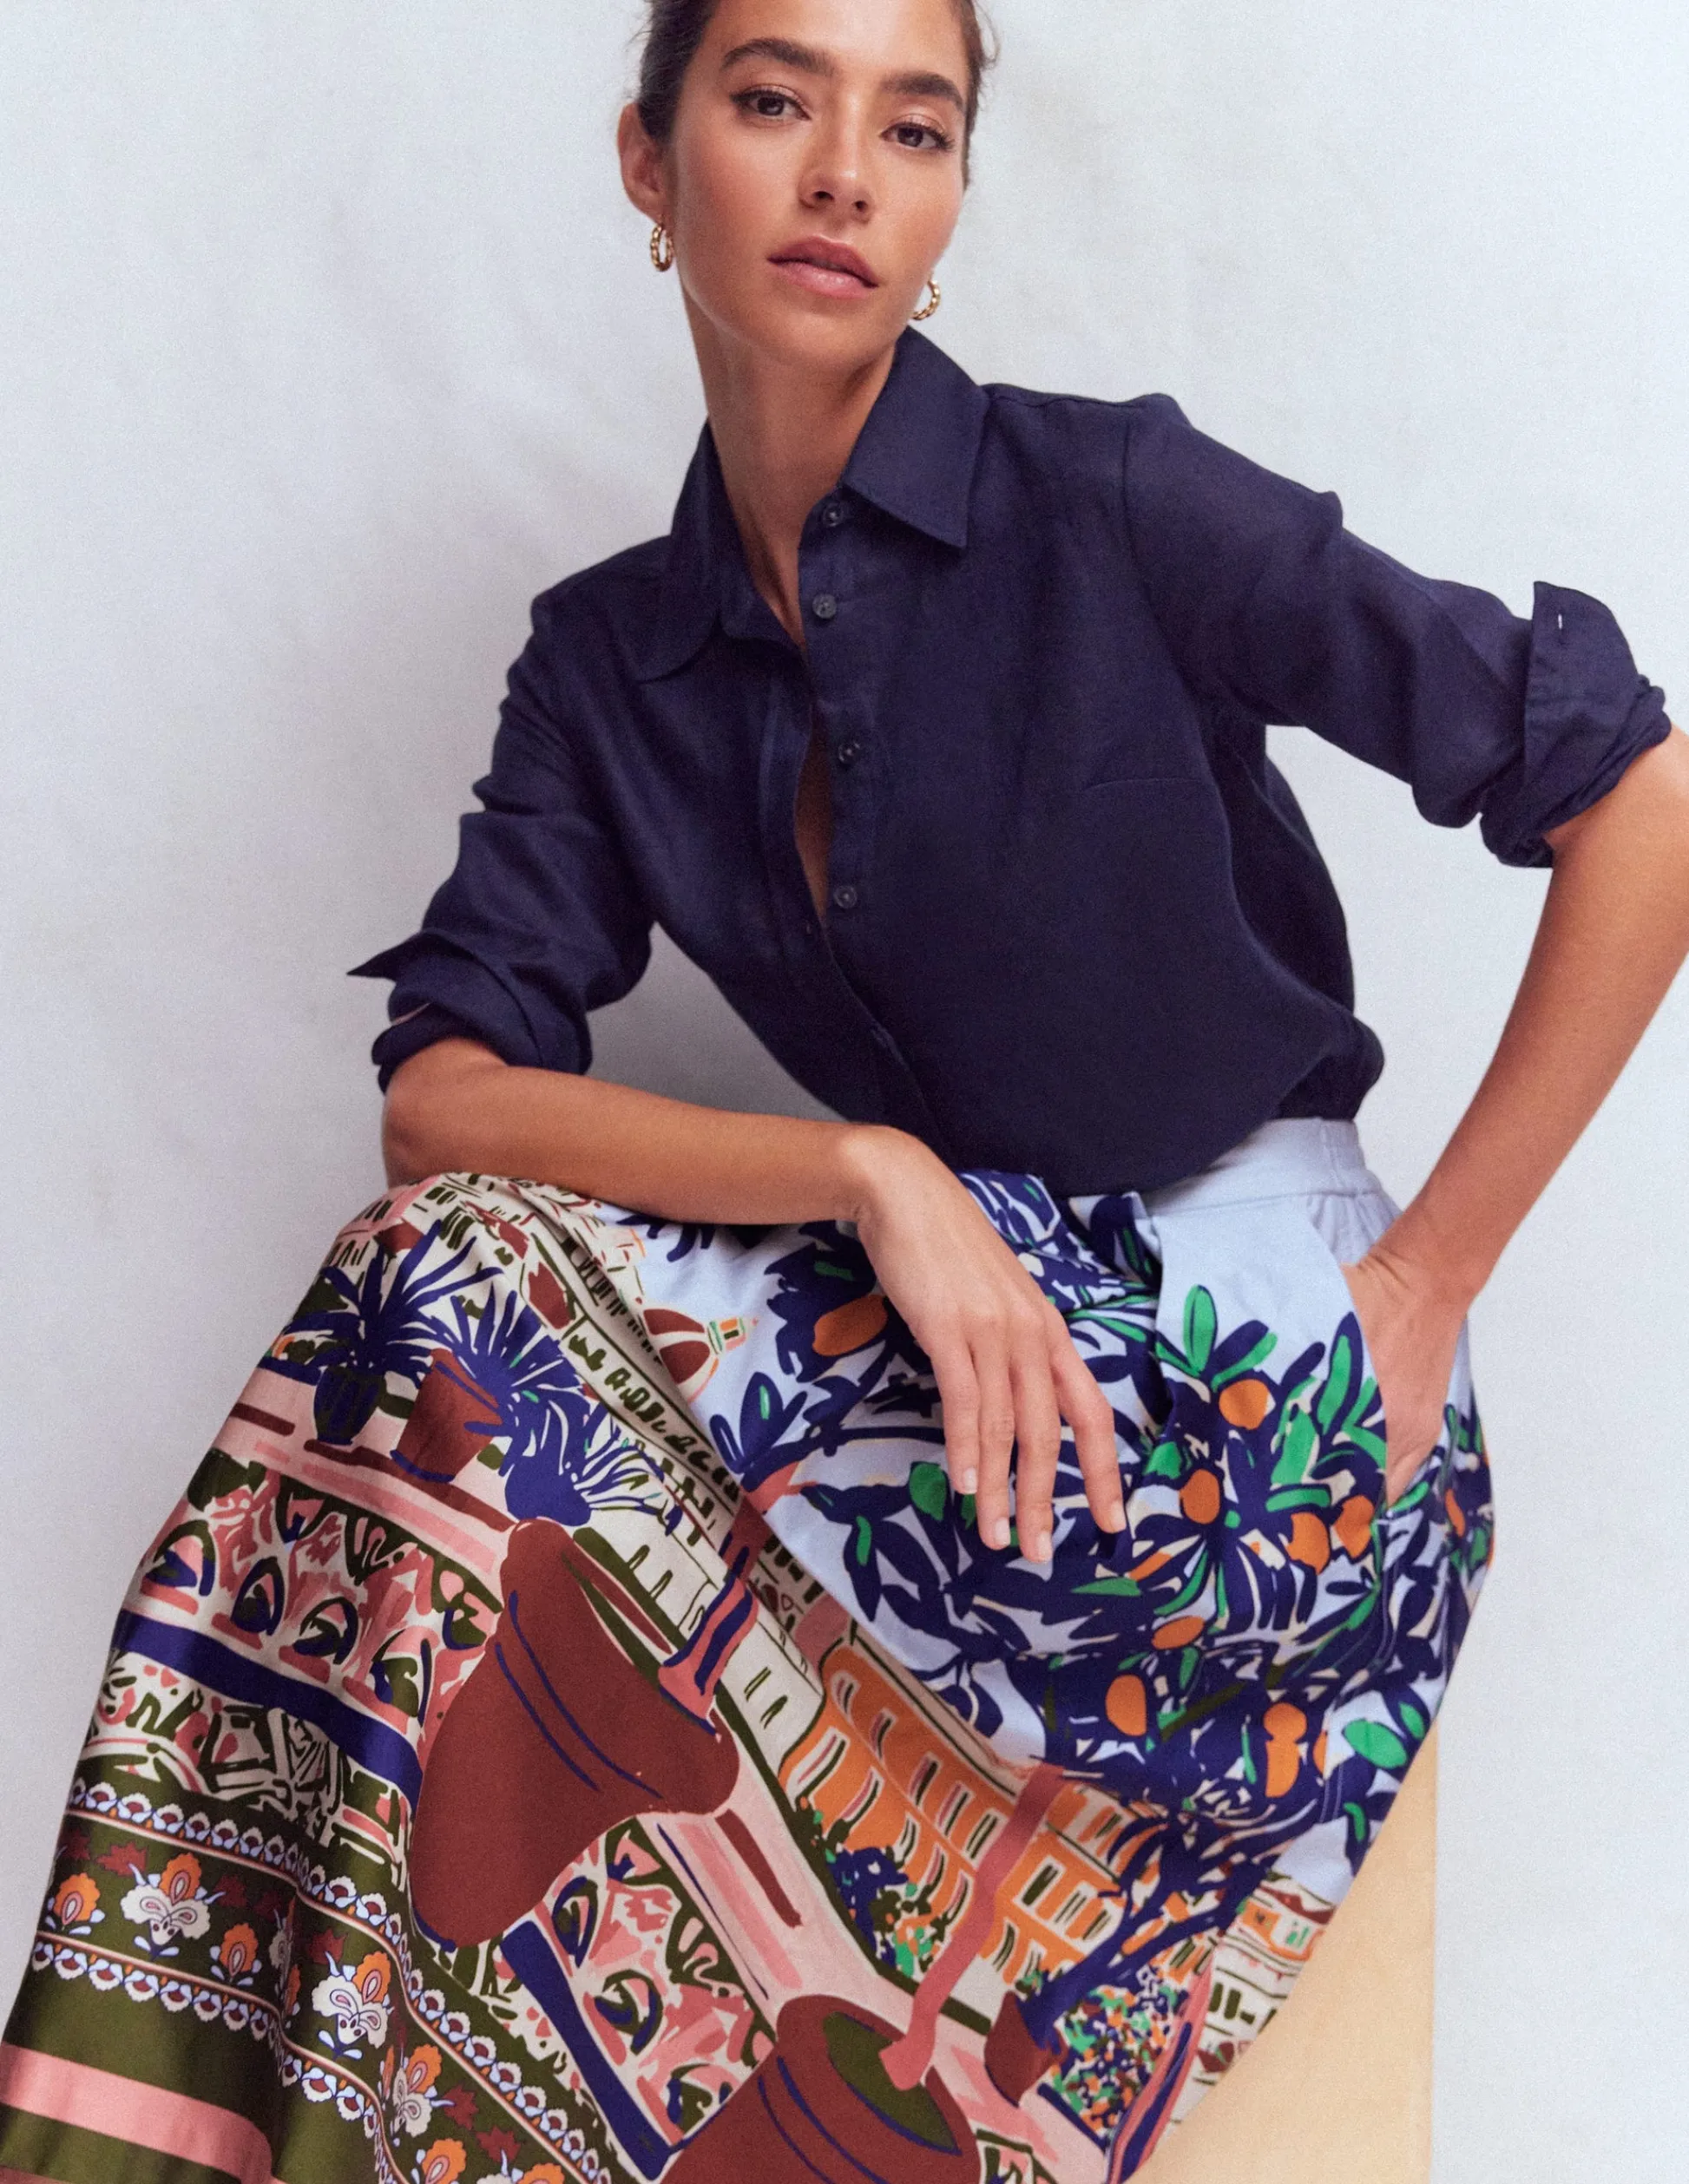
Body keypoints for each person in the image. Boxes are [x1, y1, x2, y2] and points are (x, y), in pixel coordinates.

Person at [4, 3, 1686, 2180]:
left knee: (461, 1322)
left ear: (954, 192)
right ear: (648, 160)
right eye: (774, 98)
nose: (842, 177)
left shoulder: (1115, 499)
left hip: (1262, 1396)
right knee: (430, 1295)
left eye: (915, 127)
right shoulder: (613, 663)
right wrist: (866, 1171)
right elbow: (444, 1098)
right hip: (982, 1355)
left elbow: (1638, 796)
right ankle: (217, 2116)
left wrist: (1435, 1273)